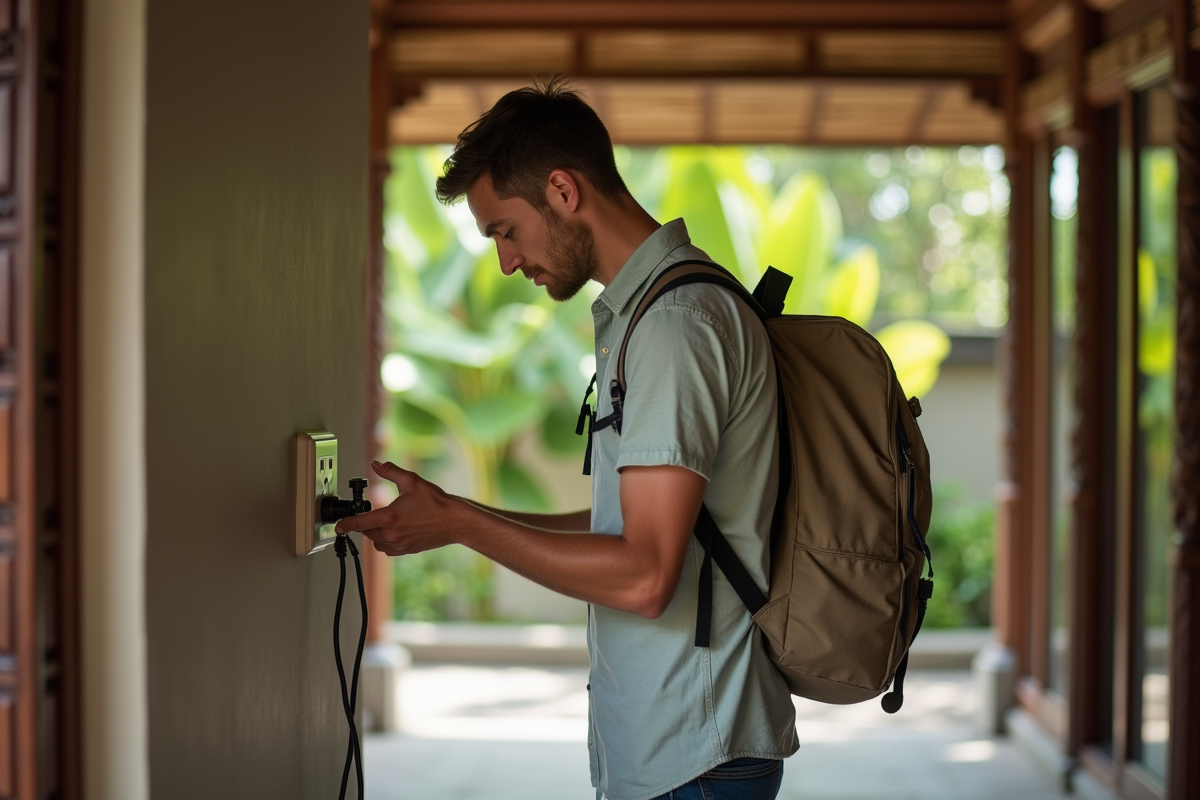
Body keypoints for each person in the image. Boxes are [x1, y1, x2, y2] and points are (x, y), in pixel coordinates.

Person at [336, 77, 798, 800]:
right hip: (675, 747)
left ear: (561, 190)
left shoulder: (678, 327)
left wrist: (463, 524)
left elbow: (645, 576)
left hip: (697, 754)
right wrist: (460, 514)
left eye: (505, 231)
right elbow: (626, 528)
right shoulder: (646, 314)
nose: (505, 263)